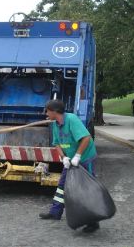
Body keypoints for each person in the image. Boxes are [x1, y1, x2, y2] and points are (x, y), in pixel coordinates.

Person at [39, 99, 99, 233]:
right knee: (62, 186)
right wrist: (64, 157)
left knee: (86, 188)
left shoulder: (72, 119)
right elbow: (57, 144)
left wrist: (78, 156)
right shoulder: (55, 124)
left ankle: (93, 222)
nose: (46, 113)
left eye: (47, 111)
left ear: (55, 111)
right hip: (71, 159)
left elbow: (86, 138)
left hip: (85, 157)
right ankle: (55, 212)